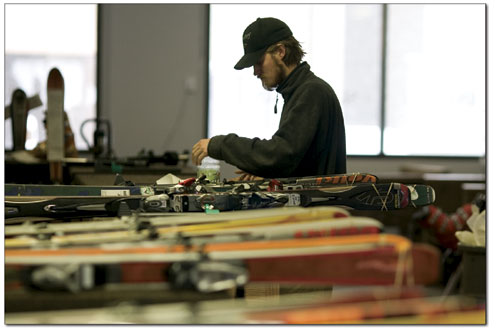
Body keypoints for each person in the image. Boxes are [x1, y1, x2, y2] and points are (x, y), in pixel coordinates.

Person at [192, 17, 346, 180]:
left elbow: (281, 155)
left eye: (258, 62)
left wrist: (219, 145)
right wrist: (266, 173)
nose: (255, 72)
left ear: (280, 51)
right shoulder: (298, 91)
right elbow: (297, 160)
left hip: (318, 204)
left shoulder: (311, 91)